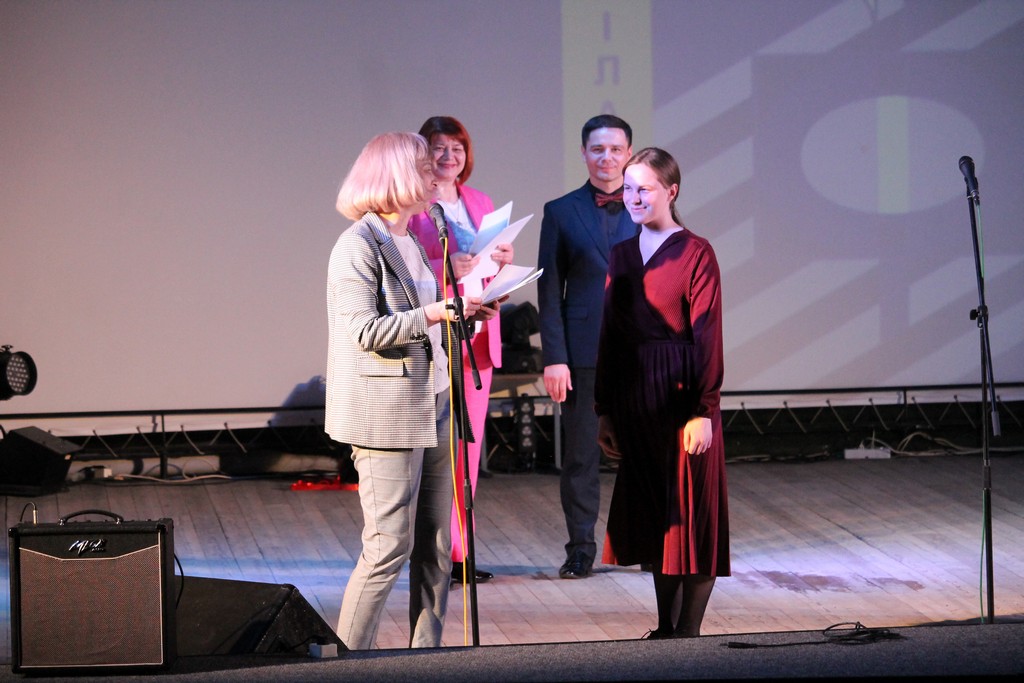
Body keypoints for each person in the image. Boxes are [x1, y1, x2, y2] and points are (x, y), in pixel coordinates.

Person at [326, 131, 500, 649]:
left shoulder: (414, 243)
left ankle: (426, 656)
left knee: (438, 543)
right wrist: (433, 312)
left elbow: (427, 327)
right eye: (426, 168)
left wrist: (465, 315)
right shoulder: (358, 245)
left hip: (437, 399)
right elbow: (364, 331)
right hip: (387, 412)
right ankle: (346, 662)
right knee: (388, 546)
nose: (437, 176)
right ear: (398, 176)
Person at [595, 147, 730, 638]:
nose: (633, 197)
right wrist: (605, 411)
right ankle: (665, 632)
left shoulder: (696, 252)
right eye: (628, 188)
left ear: (671, 191)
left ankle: (688, 634)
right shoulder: (622, 254)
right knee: (657, 522)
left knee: (691, 520)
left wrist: (703, 410)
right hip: (637, 404)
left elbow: (707, 335)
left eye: (645, 189)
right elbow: (611, 337)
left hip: (681, 400)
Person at [408, 116, 513, 584]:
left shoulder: (481, 202)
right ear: (423, 152)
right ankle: (432, 551)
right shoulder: (412, 204)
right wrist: (442, 263)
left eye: (458, 147)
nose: (450, 156)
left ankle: (460, 552)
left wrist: (502, 265)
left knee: (467, 451)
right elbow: (403, 270)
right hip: (436, 334)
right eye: (439, 147)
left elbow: (487, 267)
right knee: (436, 453)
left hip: (478, 336)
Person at [537, 114, 637, 579]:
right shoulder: (560, 211)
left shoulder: (647, 204)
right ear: (583, 153)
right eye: (598, 149)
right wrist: (555, 357)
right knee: (581, 457)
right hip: (581, 355)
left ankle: (645, 543)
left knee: (643, 454)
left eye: (615, 149)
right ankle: (580, 548)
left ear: (629, 154)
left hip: (640, 353)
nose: (607, 157)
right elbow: (549, 291)